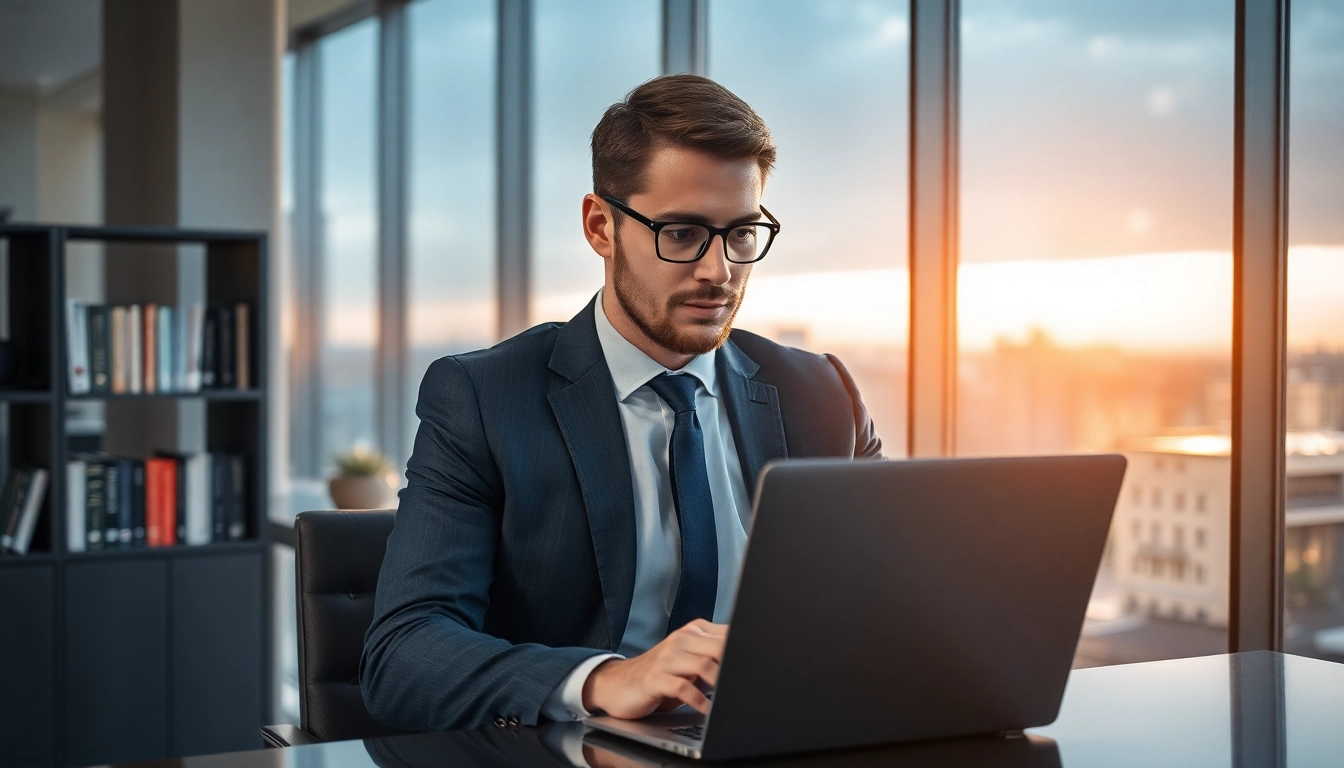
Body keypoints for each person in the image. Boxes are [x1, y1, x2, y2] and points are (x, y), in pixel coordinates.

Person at [360, 74, 882, 732]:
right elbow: (402, 654)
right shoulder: (485, 399)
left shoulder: (822, 394)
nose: (719, 271)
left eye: (742, 233)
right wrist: (607, 679)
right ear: (600, 226)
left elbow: (893, 603)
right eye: (683, 233)